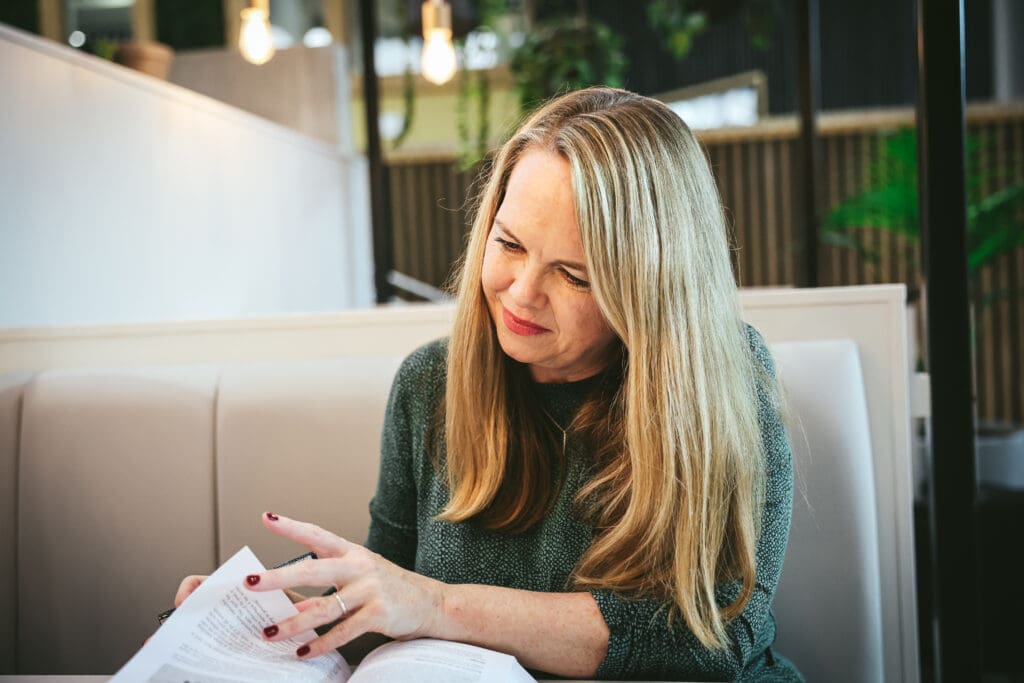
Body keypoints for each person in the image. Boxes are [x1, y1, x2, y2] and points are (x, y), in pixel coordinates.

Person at [175, 87, 802, 681]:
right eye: (508, 243)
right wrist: (269, 620)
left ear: (652, 291)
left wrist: (441, 605)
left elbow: (720, 633)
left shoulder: (724, 379)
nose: (522, 293)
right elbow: (391, 602)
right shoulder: (430, 384)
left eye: (575, 276)